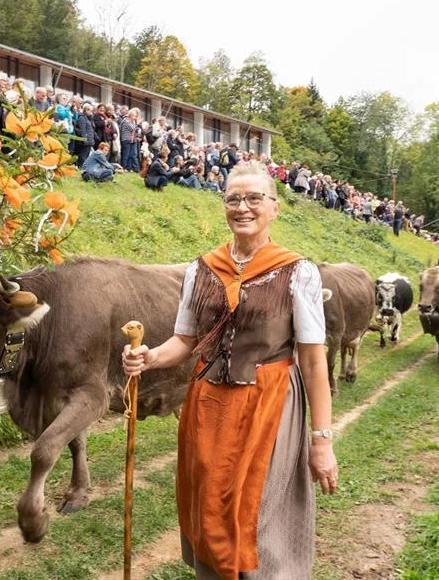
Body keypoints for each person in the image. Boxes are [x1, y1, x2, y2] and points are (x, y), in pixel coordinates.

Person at [123, 162, 337, 579]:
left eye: (254, 198)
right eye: (233, 199)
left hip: (269, 407)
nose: (243, 207)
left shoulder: (297, 271)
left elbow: (313, 361)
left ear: (274, 207)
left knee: (260, 516)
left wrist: (322, 441)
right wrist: (149, 357)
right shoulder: (202, 269)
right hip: (209, 409)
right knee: (210, 509)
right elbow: (184, 340)